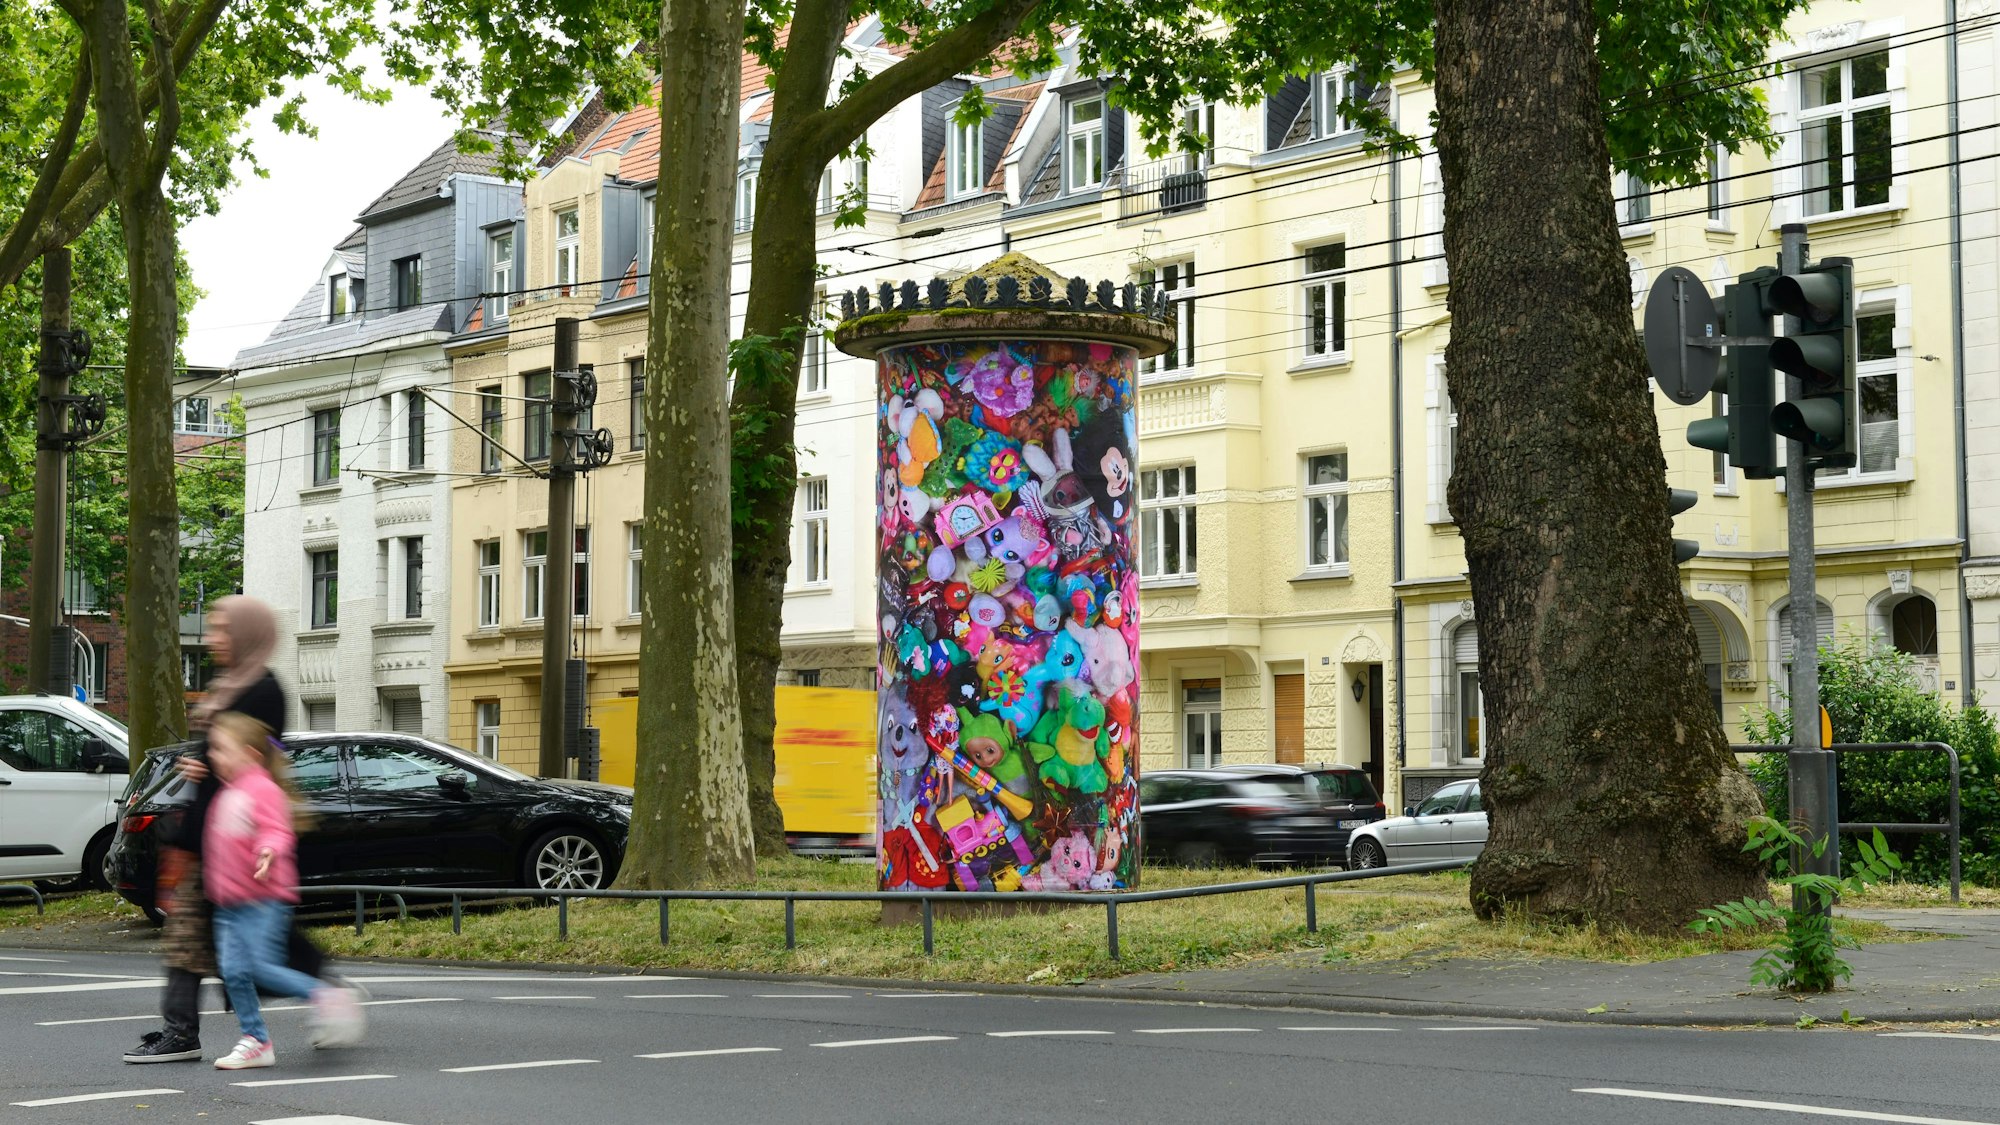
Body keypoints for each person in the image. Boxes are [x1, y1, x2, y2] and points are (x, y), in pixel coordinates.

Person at [124, 596, 362, 1064]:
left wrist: (210, 769)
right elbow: (220, 756)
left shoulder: (263, 690)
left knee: (228, 940)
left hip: (240, 832)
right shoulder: (227, 684)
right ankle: (311, 997)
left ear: (246, 634)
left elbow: (260, 755)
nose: (212, 639)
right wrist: (201, 767)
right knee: (203, 937)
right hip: (209, 826)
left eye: (221, 630)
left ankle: (316, 994)